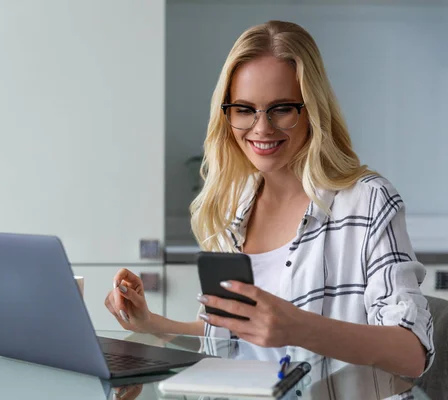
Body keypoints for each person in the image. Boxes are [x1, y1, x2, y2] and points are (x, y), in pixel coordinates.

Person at [104, 20, 434, 378]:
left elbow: (413, 351)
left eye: (281, 109)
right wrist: (150, 323)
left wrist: (299, 327)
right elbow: (236, 341)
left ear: (312, 110)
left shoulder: (368, 201)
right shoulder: (232, 208)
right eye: (245, 109)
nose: (262, 128)